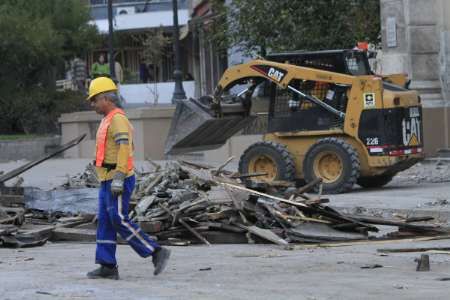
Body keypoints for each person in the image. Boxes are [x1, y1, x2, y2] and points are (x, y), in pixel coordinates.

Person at [86, 77, 170, 280]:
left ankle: (156, 251)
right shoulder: (107, 119)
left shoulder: (117, 119)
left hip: (118, 178)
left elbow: (125, 148)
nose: (93, 104)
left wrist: (119, 176)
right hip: (108, 178)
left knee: (118, 218)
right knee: (106, 221)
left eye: (95, 99)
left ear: (106, 98)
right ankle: (107, 265)